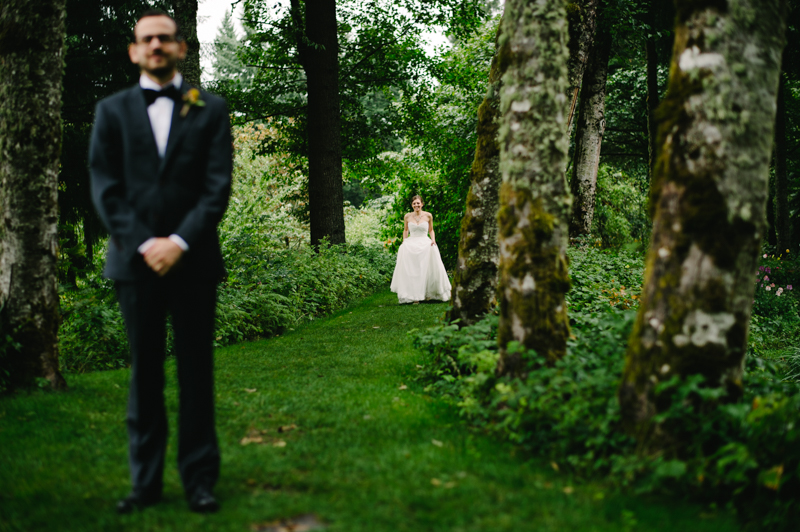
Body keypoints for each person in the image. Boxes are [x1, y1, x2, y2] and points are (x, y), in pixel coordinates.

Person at [89, 9, 232, 514]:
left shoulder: (209, 109)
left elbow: (217, 190)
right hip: (135, 263)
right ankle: (144, 483)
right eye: (147, 39)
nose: (156, 46)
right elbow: (105, 189)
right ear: (135, 50)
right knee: (143, 373)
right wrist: (146, 243)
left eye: (164, 38)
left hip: (194, 262)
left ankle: (200, 482)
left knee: (197, 372)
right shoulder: (111, 112)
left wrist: (179, 242)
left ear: (180, 48)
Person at [390, 195, 452, 304]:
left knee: (427, 269)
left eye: (418, 203)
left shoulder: (428, 216)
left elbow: (431, 230)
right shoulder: (407, 216)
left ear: (422, 204)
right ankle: (415, 296)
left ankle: (428, 293)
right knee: (413, 270)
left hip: (425, 243)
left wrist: (433, 240)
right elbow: (405, 230)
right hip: (412, 243)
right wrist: (404, 240)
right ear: (412, 205)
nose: (416, 205)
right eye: (414, 203)